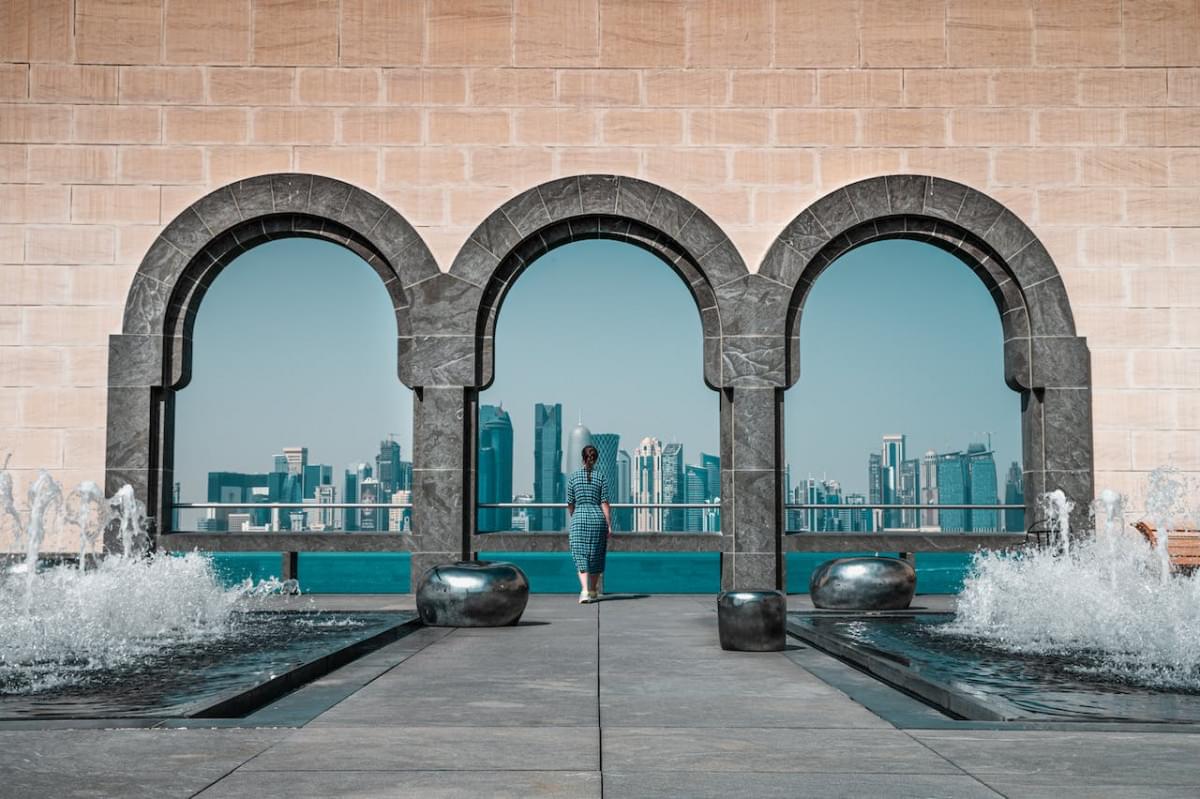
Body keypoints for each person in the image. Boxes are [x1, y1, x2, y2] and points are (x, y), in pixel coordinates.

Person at [566, 444, 612, 603]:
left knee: (580, 556)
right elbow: (604, 503)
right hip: (598, 519)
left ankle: (585, 590)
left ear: (582, 458)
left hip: (579, 517)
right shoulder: (601, 477)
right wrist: (608, 523)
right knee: (596, 555)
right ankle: (593, 591)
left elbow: (570, 503)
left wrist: (575, 515)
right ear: (596, 459)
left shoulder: (573, 478)